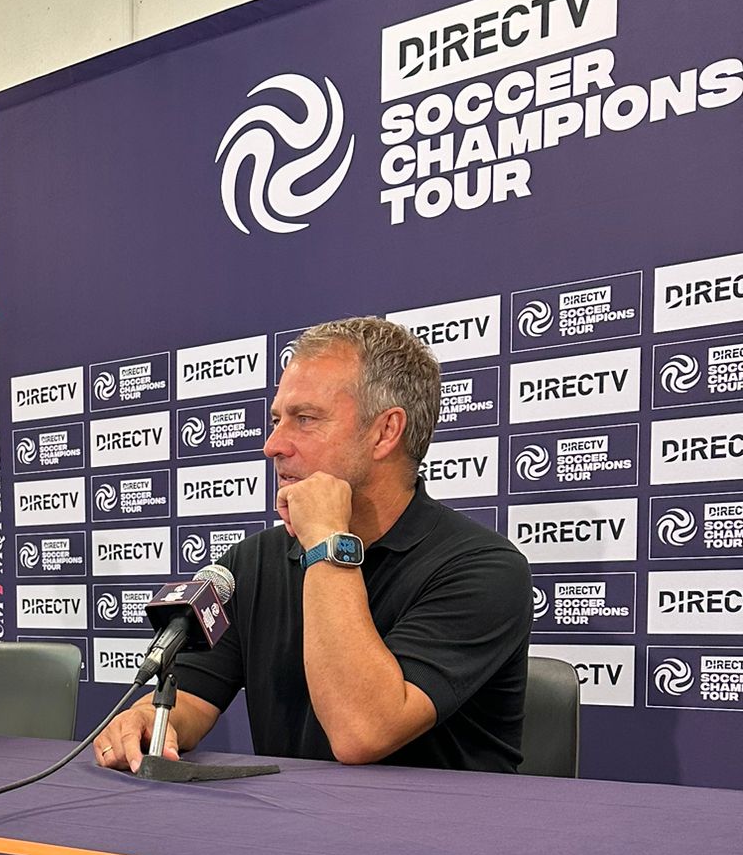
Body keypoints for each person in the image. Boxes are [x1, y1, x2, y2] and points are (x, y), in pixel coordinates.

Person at [94, 316, 532, 772]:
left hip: (436, 835)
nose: (273, 445)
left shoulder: (484, 569)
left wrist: (326, 541)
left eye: (305, 419)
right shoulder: (254, 561)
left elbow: (361, 732)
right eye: (277, 420)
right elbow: (193, 698)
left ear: (385, 432)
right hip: (291, 831)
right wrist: (149, 719)